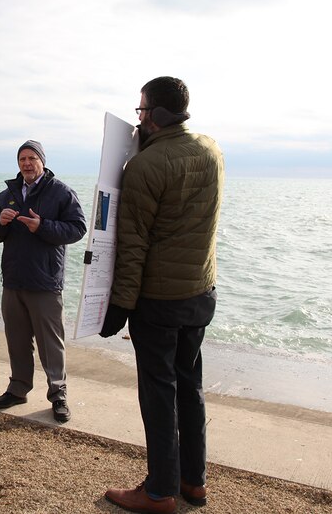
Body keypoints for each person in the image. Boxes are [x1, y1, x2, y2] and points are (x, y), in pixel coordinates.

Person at [100, 76, 224, 514]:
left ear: (158, 115)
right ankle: (194, 482)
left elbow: (133, 247)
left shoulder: (146, 167)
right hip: (200, 292)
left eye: (141, 111)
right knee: (190, 388)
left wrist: (118, 306)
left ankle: (159, 492)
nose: (139, 119)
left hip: (159, 301)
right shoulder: (211, 149)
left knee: (158, 394)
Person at [0, 140, 87, 423]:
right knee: (16, 340)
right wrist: (1, 223)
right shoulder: (7, 194)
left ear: (42, 161)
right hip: (13, 280)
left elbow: (78, 228)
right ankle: (18, 389)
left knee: (50, 343)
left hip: (45, 281)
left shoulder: (61, 192)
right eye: (22, 159)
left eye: (31, 158)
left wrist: (41, 226)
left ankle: (59, 395)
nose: (27, 163)